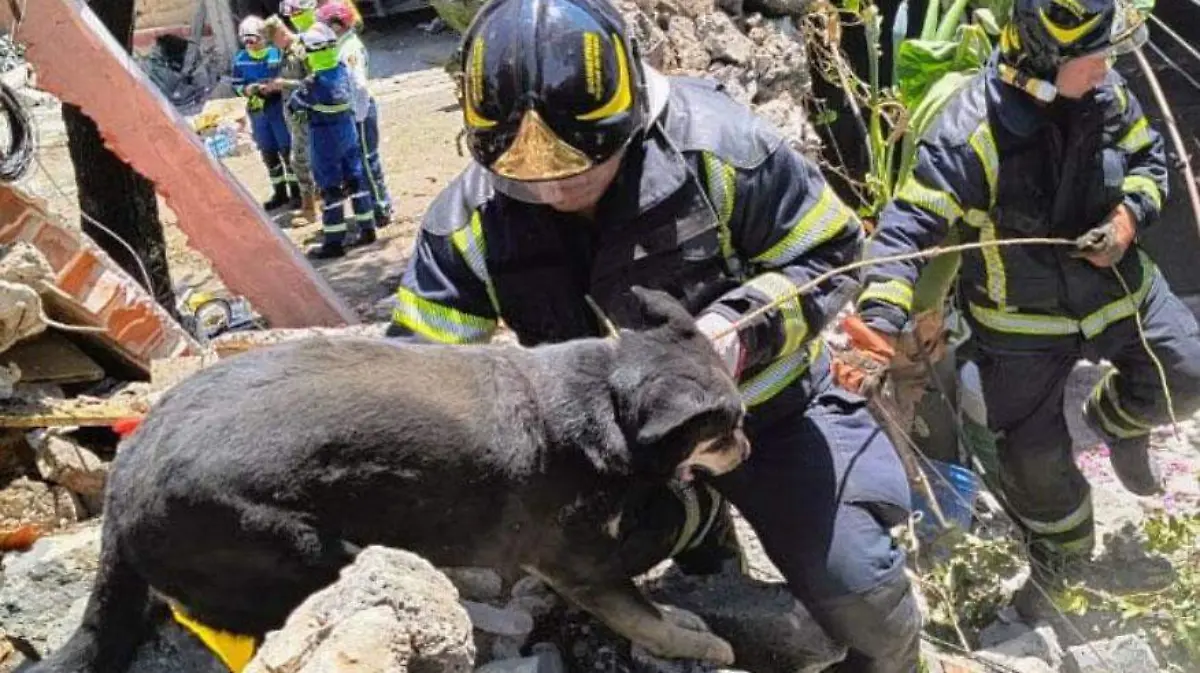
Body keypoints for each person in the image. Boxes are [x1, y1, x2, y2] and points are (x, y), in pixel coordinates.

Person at [385, 0, 921, 668]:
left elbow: (833, 256)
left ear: (632, 117)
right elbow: (414, 373)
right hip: (613, 449)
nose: (555, 190)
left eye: (583, 164)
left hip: (768, 417)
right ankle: (692, 524)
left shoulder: (722, 151)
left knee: (863, 593)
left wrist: (736, 332)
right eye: (529, 178)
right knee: (526, 549)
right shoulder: (469, 224)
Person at [838, 0, 1200, 618]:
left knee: (1188, 373)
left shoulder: (1107, 94)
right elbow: (904, 234)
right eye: (1091, 57)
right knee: (1033, 465)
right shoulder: (969, 131)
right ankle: (1065, 562)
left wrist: (1127, 217)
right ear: (1043, 61)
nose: (1105, 66)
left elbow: (1148, 161)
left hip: (1119, 295)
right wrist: (875, 327)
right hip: (1020, 326)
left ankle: (1116, 424)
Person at [288, 23, 378, 259]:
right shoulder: (342, 70)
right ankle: (367, 228)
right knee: (356, 181)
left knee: (330, 189)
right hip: (348, 133)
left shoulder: (312, 84)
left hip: (324, 139)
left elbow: (294, 108)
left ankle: (334, 242)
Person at [317, 1, 394, 229]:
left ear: (337, 25)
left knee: (368, 162)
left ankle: (381, 207)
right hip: (355, 111)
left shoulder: (349, 49)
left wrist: (357, 115)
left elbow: (358, 85)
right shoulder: (342, 45)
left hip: (359, 111)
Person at [232, 15, 302, 212]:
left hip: (277, 107)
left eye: (255, 39)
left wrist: (276, 87)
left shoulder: (275, 53)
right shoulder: (240, 60)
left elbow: (287, 76)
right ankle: (280, 192)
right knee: (269, 153)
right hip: (258, 110)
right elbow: (236, 85)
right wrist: (247, 90)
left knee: (287, 149)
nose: (252, 45)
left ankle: (296, 192)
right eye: (247, 41)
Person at [265, 10, 319, 222]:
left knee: (300, 160)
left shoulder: (300, 49)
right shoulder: (284, 53)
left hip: (304, 113)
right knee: (302, 160)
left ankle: (310, 209)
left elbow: (313, 79)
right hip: (292, 115)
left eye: (273, 41)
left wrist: (284, 84)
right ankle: (314, 202)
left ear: (280, 34)